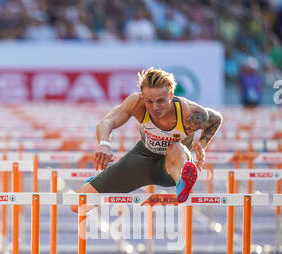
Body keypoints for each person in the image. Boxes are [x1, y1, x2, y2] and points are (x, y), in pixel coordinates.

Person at [71, 67, 223, 212]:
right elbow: (107, 121)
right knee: (78, 205)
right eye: (149, 101)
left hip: (172, 165)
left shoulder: (191, 113)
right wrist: (104, 144)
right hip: (142, 158)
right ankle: (100, 181)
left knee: (176, 147)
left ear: (171, 95)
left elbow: (216, 119)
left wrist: (202, 145)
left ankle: (183, 183)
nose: (155, 107)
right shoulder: (137, 102)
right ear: (143, 97)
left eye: (160, 101)